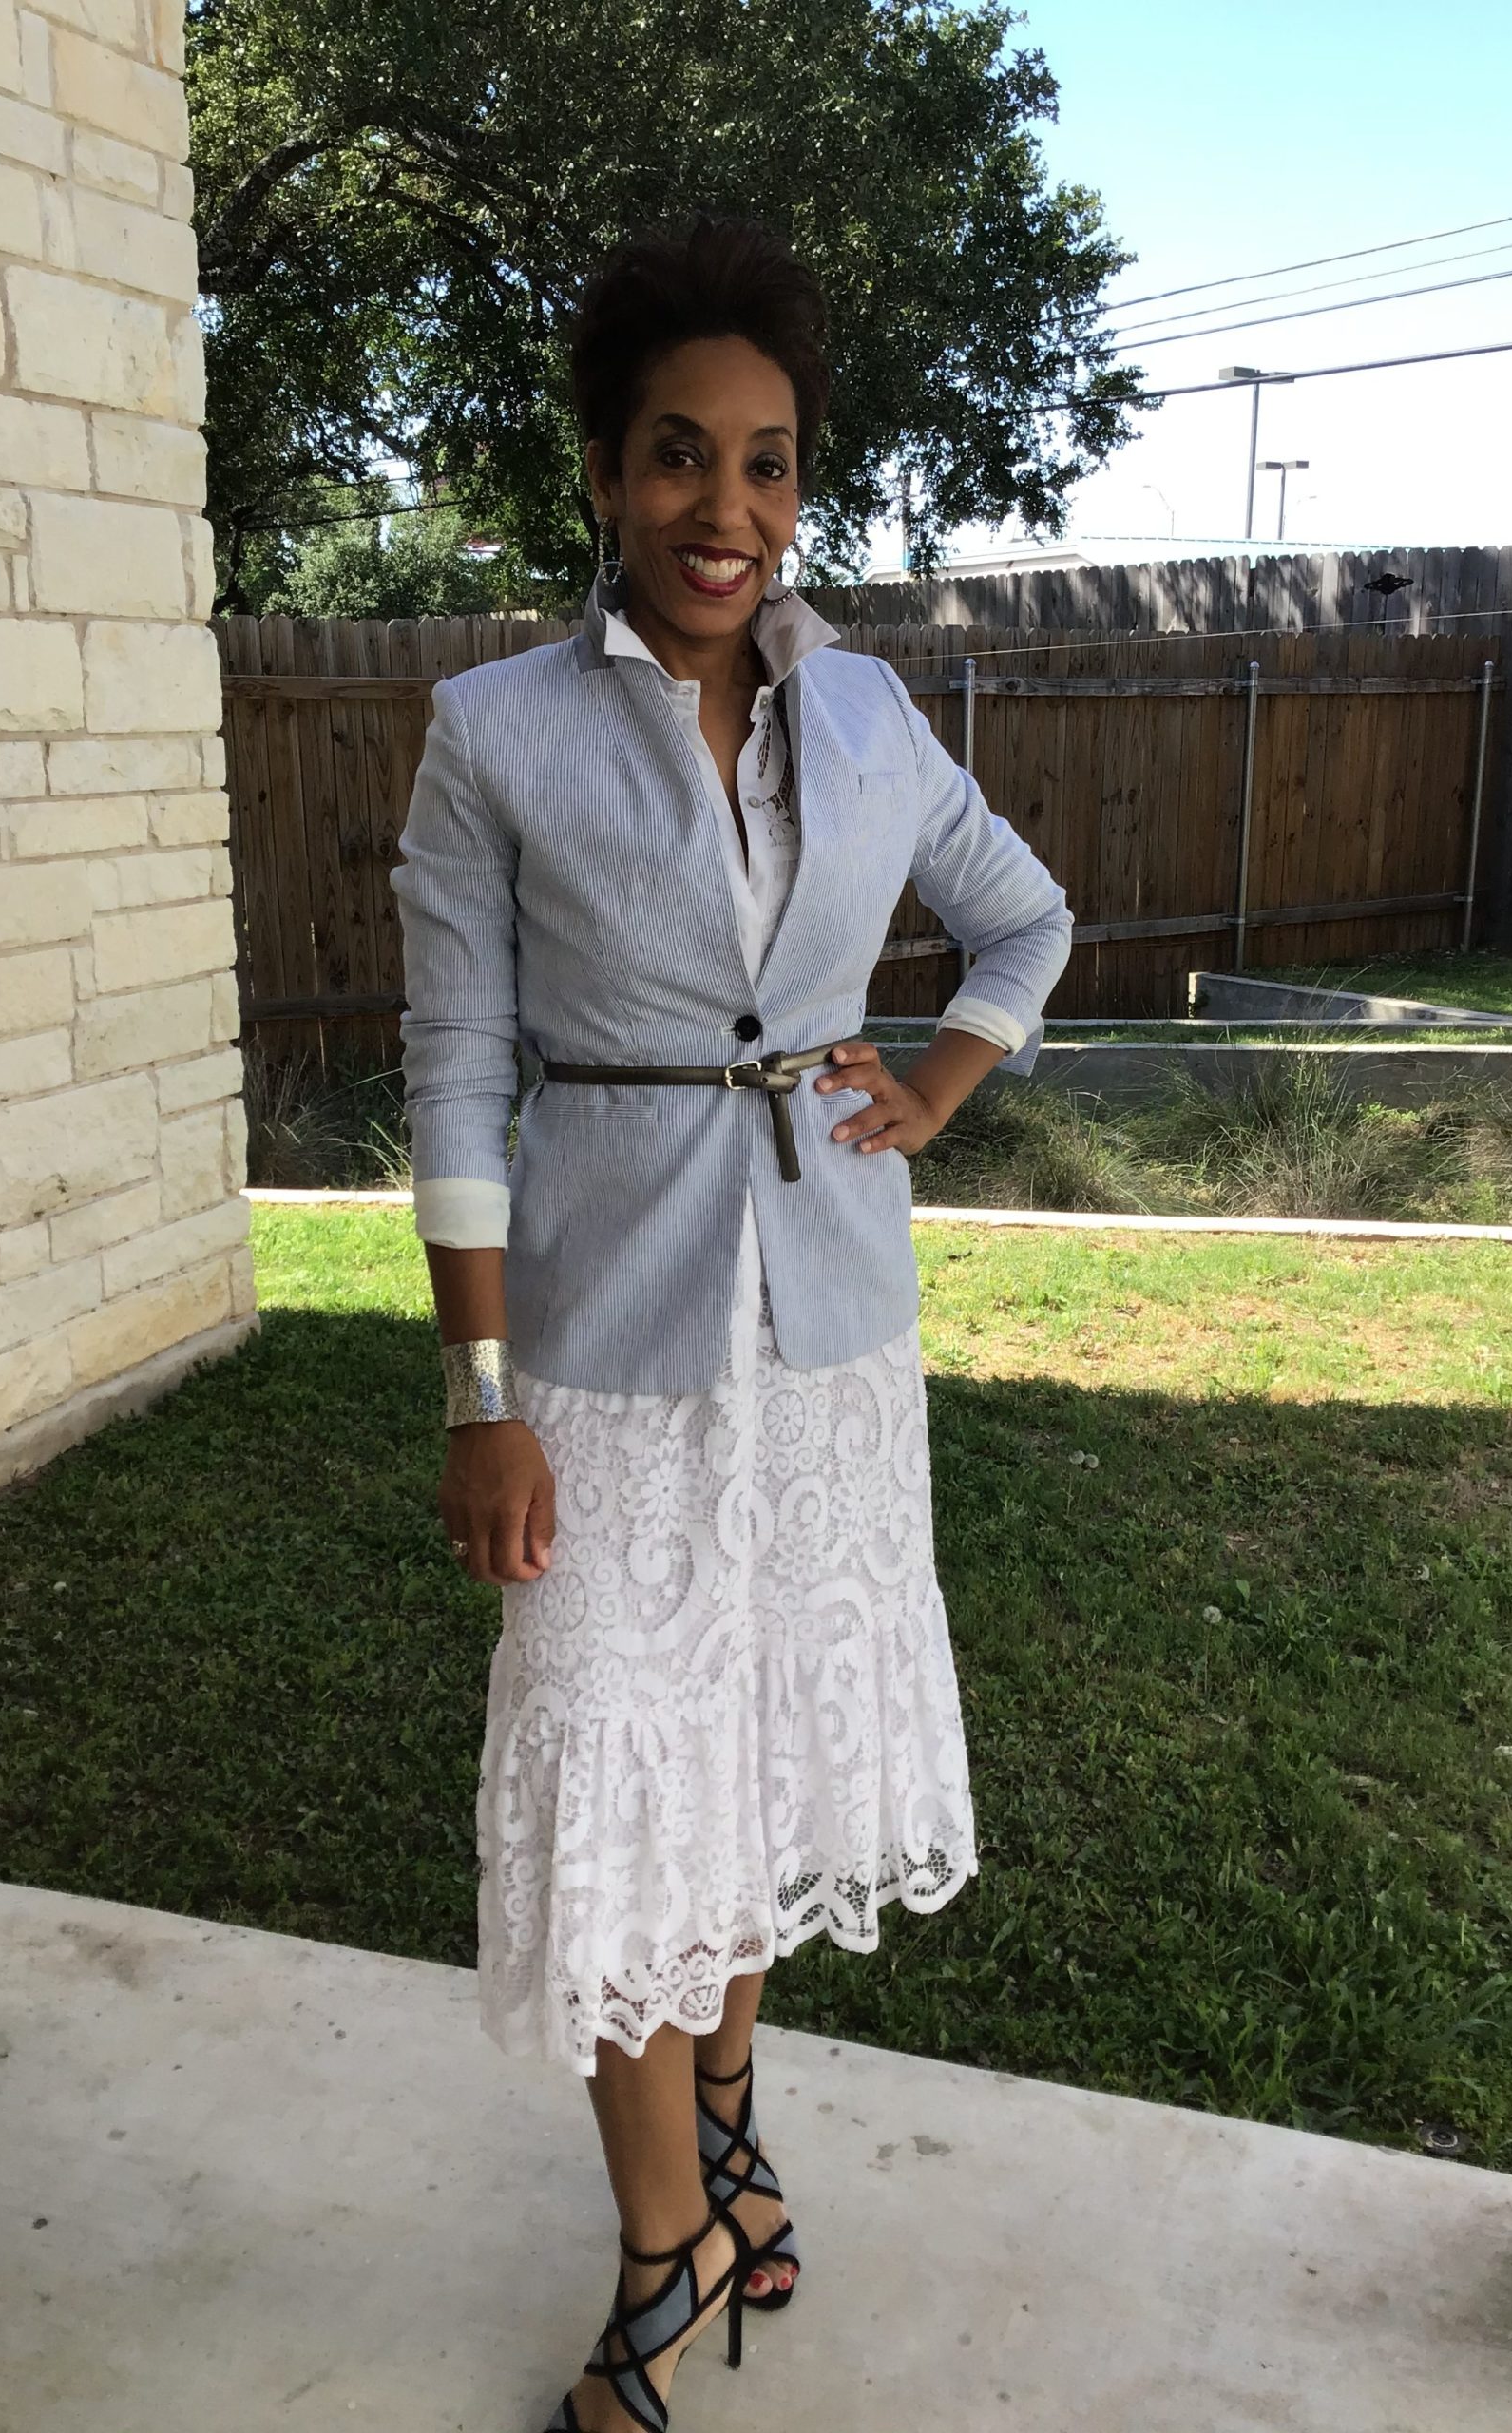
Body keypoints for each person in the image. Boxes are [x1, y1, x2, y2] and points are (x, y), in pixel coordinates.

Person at [392, 215, 1073, 2433]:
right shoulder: (493, 731)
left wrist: (946, 1073)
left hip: (835, 1342)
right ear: (604, 471)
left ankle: (736, 2130)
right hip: (605, 1355)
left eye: (768, 464)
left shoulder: (868, 706)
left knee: (761, 1751)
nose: (726, 508)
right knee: (618, 1790)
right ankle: (666, 2246)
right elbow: (456, 1072)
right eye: (679, 456)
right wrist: (482, 1394)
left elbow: (1022, 911)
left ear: (804, 486)